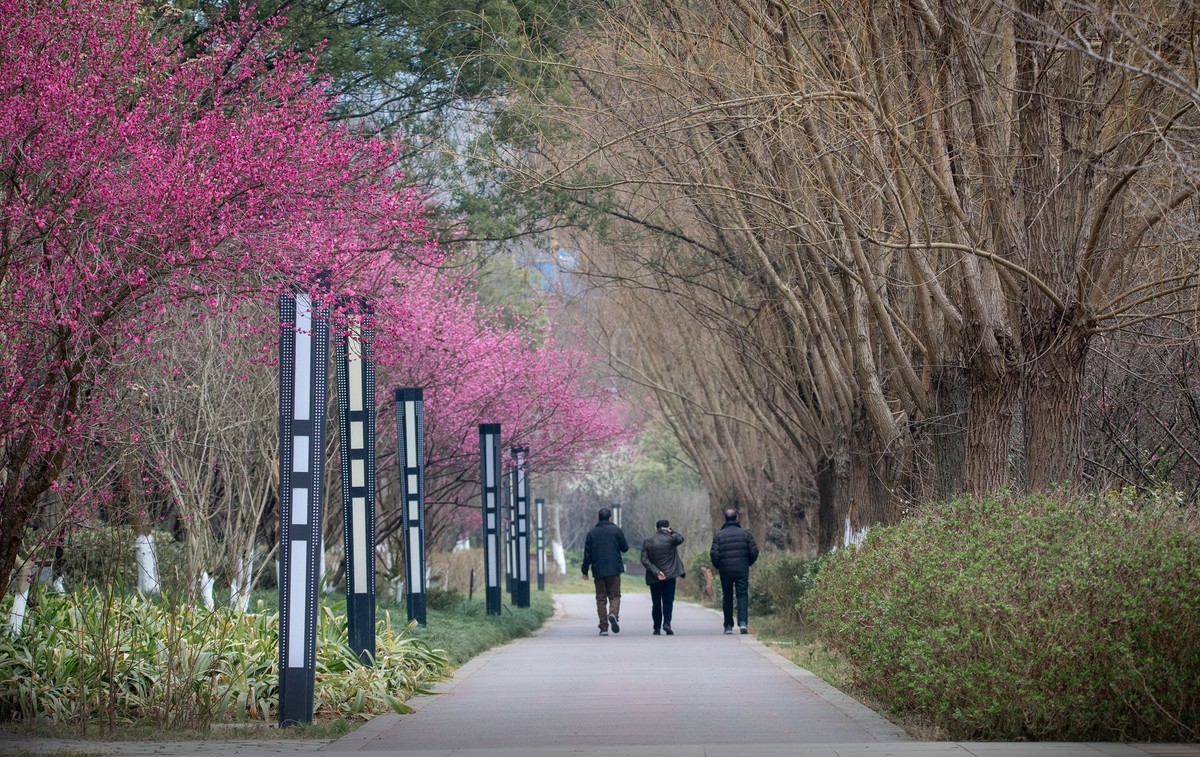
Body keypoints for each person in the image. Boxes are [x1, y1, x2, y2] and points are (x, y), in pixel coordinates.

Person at [709, 507, 758, 634]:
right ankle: (742, 623)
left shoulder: (719, 535)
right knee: (742, 595)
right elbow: (754, 551)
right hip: (742, 569)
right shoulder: (745, 534)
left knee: (727, 597)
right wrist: (747, 563)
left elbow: (714, 554)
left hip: (725, 571)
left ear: (725, 519)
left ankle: (728, 626)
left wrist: (719, 566)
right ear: (736, 518)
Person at [581, 507, 628, 636]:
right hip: (614, 570)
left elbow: (587, 555)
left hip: (598, 570)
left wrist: (584, 571)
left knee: (601, 598)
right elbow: (625, 548)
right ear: (610, 518)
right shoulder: (616, 531)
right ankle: (613, 614)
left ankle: (603, 628)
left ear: (598, 517)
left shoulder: (592, 533)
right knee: (615, 595)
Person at [641, 519, 685, 636]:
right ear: (667, 527)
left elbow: (644, 560)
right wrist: (672, 531)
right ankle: (667, 623)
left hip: (654, 577)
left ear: (656, 528)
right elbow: (681, 538)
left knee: (656, 603)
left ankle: (656, 628)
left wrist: (656, 572)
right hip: (670, 576)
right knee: (668, 601)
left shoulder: (648, 541)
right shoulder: (671, 539)